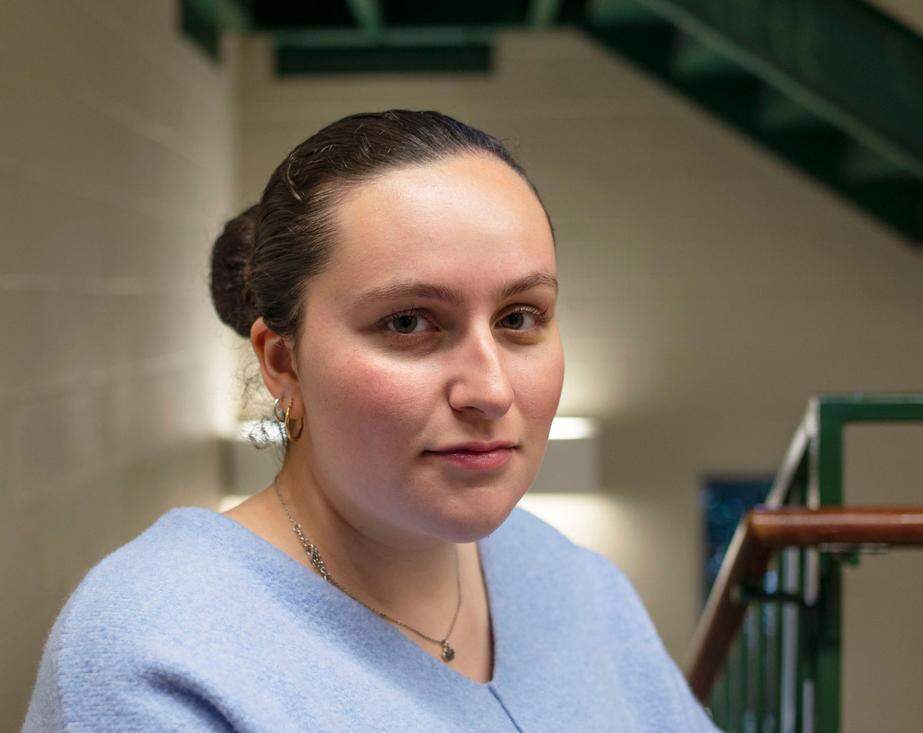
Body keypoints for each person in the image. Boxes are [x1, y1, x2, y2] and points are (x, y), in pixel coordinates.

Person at [22, 110, 720, 731]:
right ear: (283, 361)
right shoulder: (158, 648)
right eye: (409, 321)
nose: (489, 389)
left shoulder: (574, 584)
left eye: (519, 317)